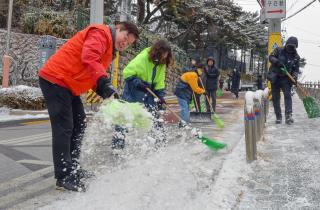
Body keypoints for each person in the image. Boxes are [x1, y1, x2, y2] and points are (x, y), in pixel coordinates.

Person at [38, 21, 139, 191]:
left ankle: (73, 169)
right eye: (125, 38)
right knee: (64, 128)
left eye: (129, 44)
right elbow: (89, 58)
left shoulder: (110, 50)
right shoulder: (100, 33)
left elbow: (92, 73)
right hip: (55, 79)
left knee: (79, 124)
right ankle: (64, 176)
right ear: (118, 28)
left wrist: (105, 91)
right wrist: (105, 83)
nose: (125, 43)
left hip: (68, 85)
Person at [113, 40, 173, 149]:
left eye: (165, 56)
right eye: (162, 55)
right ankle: (118, 145)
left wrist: (160, 97)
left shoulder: (162, 64)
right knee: (125, 117)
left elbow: (160, 82)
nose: (163, 58)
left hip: (149, 92)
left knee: (154, 117)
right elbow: (127, 72)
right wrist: (138, 83)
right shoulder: (143, 57)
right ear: (157, 52)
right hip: (134, 91)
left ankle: (161, 143)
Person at [268, 36, 300, 124]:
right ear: (286, 44)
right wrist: (277, 62)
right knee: (275, 98)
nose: (289, 47)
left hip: (286, 79)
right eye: (288, 45)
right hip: (275, 77)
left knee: (287, 96)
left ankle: (288, 116)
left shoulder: (296, 57)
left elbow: (296, 69)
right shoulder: (278, 50)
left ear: (295, 47)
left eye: (292, 46)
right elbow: (271, 57)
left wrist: (294, 76)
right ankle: (278, 117)